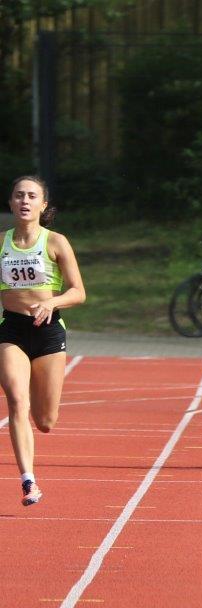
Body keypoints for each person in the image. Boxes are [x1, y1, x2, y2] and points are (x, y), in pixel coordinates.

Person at [0, 175, 85, 506]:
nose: (25, 201)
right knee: (16, 400)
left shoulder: (56, 242)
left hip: (48, 331)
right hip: (12, 331)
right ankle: (28, 481)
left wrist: (52, 302)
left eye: (32, 196)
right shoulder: (2, 242)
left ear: (43, 205)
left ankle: (39, 418)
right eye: (19, 195)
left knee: (46, 421)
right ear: (10, 203)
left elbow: (78, 292)